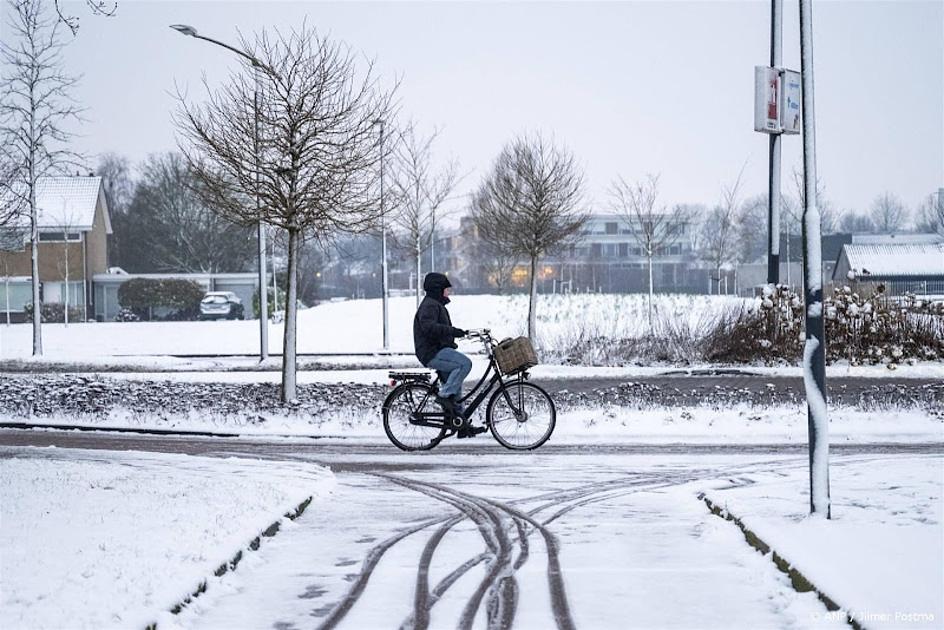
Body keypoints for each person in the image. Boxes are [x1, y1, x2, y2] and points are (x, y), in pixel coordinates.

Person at [413, 272, 486, 438]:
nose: (449, 292)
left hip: (438, 349)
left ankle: (461, 426)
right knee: (464, 364)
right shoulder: (430, 305)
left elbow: (440, 330)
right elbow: (429, 327)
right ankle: (443, 396)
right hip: (431, 352)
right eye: (447, 289)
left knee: (456, 388)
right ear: (438, 289)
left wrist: (460, 334)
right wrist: (454, 332)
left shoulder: (436, 304)